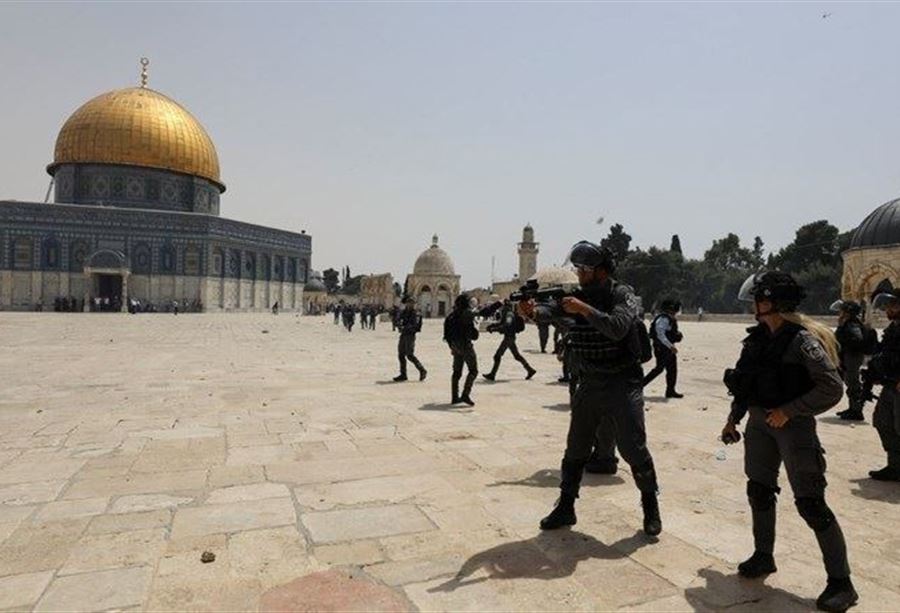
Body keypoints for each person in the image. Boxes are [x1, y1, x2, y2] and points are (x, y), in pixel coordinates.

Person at [721, 271, 856, 612]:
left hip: (792, 429)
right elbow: (745, 383)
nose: (754, 305)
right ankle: (763, 556)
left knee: (811, 503)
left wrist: (790, 410)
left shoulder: (801, 341)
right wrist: (733, 419)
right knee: (759, 491)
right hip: (758, 424)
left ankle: (841, 583)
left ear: (772, 303)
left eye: (759, 299)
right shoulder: (757, 339)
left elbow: (832, 387)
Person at [519, 241, 662, 537]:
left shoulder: (622, 295)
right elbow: (549, 313)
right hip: (590, 380)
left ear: (600, 271)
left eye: (584, 269)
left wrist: (583, 309)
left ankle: (650, 507)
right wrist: (530, 312)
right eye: (578, 269)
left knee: (633, 448)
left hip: (623, 381)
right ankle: (566, 507)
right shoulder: (575, 297)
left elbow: (618, 327)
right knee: (576, 448)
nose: (580, 274)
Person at [862, 287, 900, 481]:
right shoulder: (893, 328)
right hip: (891, 385)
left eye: (893, 305)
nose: (888, 309)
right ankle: (895, 466)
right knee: (883, 421)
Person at [831, 300, 873, 421]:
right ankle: (852, 408)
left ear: (848, 312)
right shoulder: (848, 323)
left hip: (852, 357)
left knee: (853, 383)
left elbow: (857, 339)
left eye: (842, 311)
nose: (840, 313)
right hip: (849, 356)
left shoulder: (852, 324)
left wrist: (846, 345)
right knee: (850, 382)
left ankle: (856, 411)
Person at [483, 300, 536, 381]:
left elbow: (507, 325)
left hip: (509, 338)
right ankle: (530, 370)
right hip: (510, 338)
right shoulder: (507, 314)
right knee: (517, 356)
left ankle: (492, 374)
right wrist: (492, 326)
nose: (500, 309)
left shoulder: (509, 315)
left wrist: (495, 329)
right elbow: (501, 323)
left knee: (497, 356)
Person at [642, 299, 684, 398]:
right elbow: (660, 334)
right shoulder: (663, 319)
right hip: (662, 348)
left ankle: (670, 391)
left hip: (666, 348)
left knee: (672, 369)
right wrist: (670, 346)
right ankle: (639, 386)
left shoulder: (668, 318)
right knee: (659, 369)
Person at [444, 293, 479, 406]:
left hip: (455, 346)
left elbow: (446, 334)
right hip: (465, 346)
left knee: (456, 372)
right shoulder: (466, 314)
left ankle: (454, 397)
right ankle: (465, 394)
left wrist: (452, 346)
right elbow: (474, 335)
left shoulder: (451, 316)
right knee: (473, 370)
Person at [394, 297, 427, 382]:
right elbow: (398, 319)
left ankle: (422, 370)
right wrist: (398, 324)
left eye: (411, 303)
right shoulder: (404, 312)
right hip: (403, 334)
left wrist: (406, 327)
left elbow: (415, 325)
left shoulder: (416, 314)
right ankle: (403, 374)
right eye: (408, 303)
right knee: (401, 354)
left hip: (410, 335)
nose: (409, 304)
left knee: (409, 355)